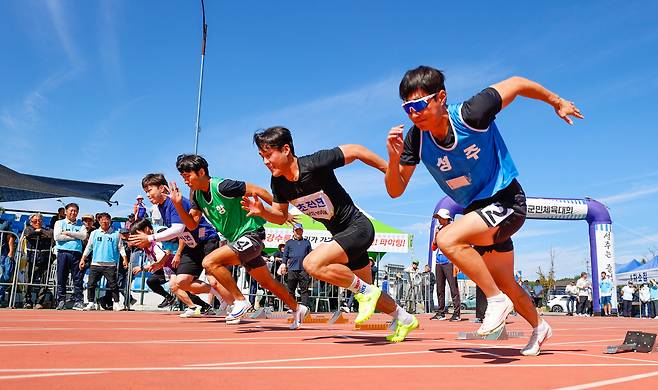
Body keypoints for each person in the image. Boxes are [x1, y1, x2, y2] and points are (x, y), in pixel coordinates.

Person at [384, 66, 581, 355]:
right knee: (507, 282)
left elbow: (516, 83)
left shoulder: (471, 113)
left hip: (506, 202)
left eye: (419, 104)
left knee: (448, 239)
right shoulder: (416, 139)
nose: (414, 113)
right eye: (407, 108)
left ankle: (495, 300)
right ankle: (539, 327)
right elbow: (395, 189)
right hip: (478, 214)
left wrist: (557, 102)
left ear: (441, 97)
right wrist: (392, 158)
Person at [244, 127, 418, 342]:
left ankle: (366, 292)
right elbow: (281, 216)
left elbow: (356, 150)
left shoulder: (315, 163)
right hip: (342, 237)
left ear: (286, 149)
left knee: (312, 264)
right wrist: (263, 212)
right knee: (368, 293)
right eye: (262, 157)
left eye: (268, 155)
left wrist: (390, 170)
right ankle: (405, 318)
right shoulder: (278, 182)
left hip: (358, 228)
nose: (265, 162)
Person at [170, 156, 308, 329]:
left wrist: (279, 211)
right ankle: (298, 308)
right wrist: (177, 205)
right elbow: (191, 224)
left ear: (201, 172)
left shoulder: (222, 186)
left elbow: (257, 190)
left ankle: (240, 301)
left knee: (210, 262)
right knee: (267, 283)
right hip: (237, 240)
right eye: (182, 177)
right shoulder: (196, 195)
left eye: (187, 175)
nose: (185, 180)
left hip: (252, 235)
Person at [128, 173, 232, 318]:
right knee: (181, 282)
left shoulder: (175, 202)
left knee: (213, 279)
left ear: (162, 188)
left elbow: (177, 229)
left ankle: (236, 304)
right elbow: (181, 232)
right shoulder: (161, 207)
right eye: (145, 192)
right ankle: (222, 297)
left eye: (149, 190)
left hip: (207, 240)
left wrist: (150, 238)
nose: (148, 195)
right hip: (192, 246)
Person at [79, 213, 127, 311]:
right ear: (99, 221)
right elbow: (89, 247)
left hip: (110, 264)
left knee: (113, 285)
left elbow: (121, 248)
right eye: (102, 220)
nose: (104, 221)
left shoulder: (116, 234)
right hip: (95, 263)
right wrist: (83, 259)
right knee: (91, 284)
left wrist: (125, 259)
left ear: (110, 221)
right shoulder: (94, 233)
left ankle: (117, 304)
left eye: (106, 219)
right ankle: (91, 303)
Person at [53, 203, 88, 310]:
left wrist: (68, 233)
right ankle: (61, 300)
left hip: (76, 253)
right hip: (63, 253)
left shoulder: (81, 225)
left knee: (77, 278)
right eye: (71, 210)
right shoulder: (59, 223)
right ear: (66, 211)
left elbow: (83, 236)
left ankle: (79, 301)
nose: (73, 213)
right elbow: (57, 237)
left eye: (75, 211)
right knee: (61, 277)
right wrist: (75, 237)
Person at [430, 208, 460, 321]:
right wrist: (436, 236)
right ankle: (441, 313)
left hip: (450, 262)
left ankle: (457, 314)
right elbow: (434, 247)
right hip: (439, 261)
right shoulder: (439, 230)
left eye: (440, 218)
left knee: (453, 288)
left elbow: (457, 245)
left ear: (446, 219)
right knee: (440, 288)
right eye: (438, 218)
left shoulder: (452, 229)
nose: (439, 220)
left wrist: (457, 264)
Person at [22, 213, 54, 309]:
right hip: (31, 259)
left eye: (39, 220)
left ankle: (40, 302)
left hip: (45, 259)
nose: (37, 222)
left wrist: (40, 231)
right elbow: (28, 233)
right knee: (27, 281)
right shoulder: (28, 228)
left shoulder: (47, 229)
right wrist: (40, 233)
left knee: (44, 282)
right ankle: (27, 301)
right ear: (31, 222)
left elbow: (51, 234)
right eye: (35, 221)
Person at [281, 224, 312, 308]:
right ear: (293, 231)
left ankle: (305, 308)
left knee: (304, 290)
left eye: (300, 230)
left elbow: (310, 256)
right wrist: (283, 264)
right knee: (291, 290)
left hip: (304, 270)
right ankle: (292, 307)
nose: (298, 232)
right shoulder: (289, 242)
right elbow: (285, 255)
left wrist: (311, 268)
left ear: (302, 231)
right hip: (292, 269)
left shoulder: (307, 242)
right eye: (296, 230)